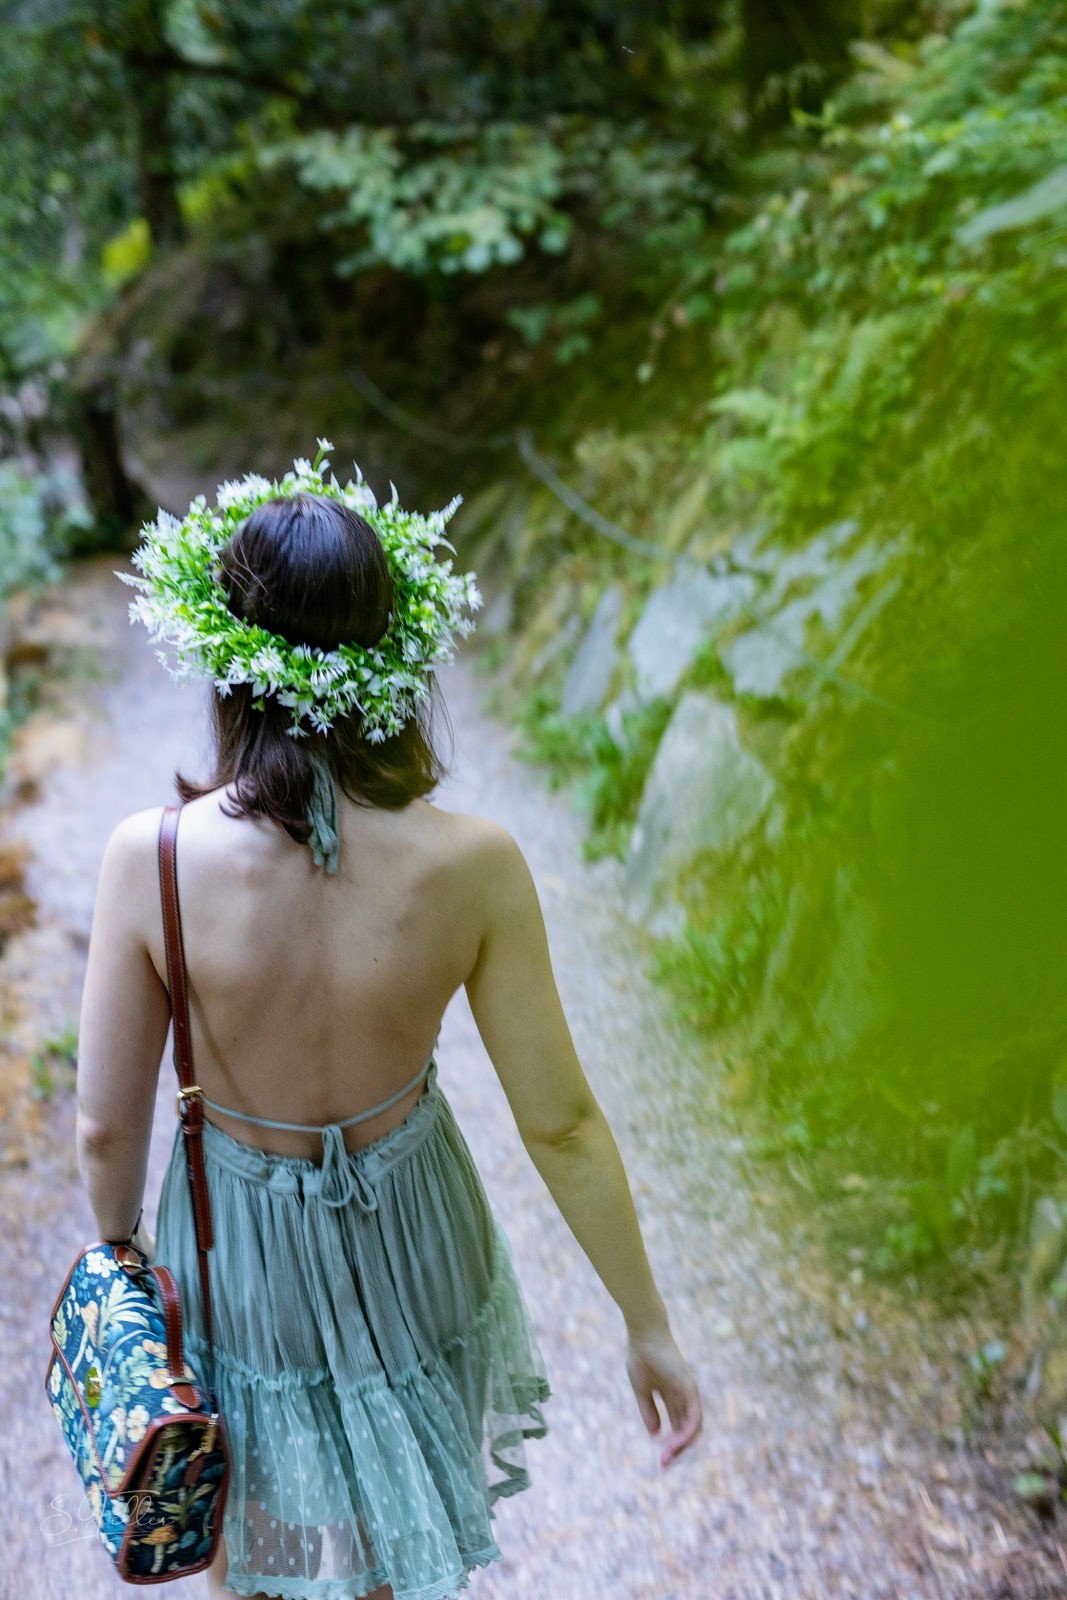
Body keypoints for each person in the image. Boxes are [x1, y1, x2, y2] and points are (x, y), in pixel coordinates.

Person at [74, 452, 702, 1600]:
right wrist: (644, 1320)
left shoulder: (150, 858)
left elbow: (106, 1130)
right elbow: (560, 1123)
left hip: (238, 1249)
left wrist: (122, 1288)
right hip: (414, 1220)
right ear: (393, 651)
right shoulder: (474, 864)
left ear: (224, 652)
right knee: (391, 1545)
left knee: (248, 1538)